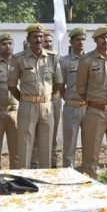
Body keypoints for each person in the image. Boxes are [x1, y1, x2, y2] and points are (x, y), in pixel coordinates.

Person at [10, 24, 64, 169]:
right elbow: (11, 85)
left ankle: (46, 179)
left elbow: (58, 83)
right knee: (25, 145)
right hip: (27, 105)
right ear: (28, 39)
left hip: (47, 106)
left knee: (46, 144)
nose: (39, 40)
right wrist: (24, 98)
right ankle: (24, 177)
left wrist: (47, 98)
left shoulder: (53, 58)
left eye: (41, 36)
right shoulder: (19, 58)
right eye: (35, 37)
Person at [77, 26, 107, 180]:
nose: (105, 40)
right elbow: (81, 89)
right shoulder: (86, 61)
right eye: (102, 37)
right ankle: (90, 185)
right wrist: (95, 102)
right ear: (96, 40)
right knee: (90, 154)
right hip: (95, 111)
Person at [59, 28, 88, 170]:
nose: (81, 42)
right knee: (70, 144)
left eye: (83, 39)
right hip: (71, 107)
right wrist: (68, 99)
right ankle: (68, 171)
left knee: (89, 143)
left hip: (89, 107)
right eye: (77, 39)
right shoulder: (64, 62)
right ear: (71, 42)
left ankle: (88, 172)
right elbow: (60, 85)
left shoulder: (91, 59)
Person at [0, 33, 19, 169]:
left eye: (10, 43)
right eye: (4, 44)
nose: (8, 46)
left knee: (17, 149)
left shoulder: (20, 61)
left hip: (16, 111)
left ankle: (17, 176)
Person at [41, 30, 62, 166]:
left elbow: (59, 83)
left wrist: (51, 95)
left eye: (50, 41)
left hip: (54, 100)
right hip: (39, 102)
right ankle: (37, 161)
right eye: (45, 41)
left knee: (52, 133)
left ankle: (52, 161)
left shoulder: (56, 58)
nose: (48, 44)